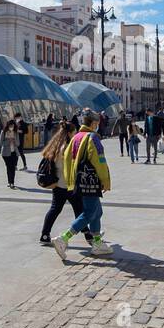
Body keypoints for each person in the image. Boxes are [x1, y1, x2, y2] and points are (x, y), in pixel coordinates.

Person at [51, 112, 113, 262]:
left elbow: (67, 159)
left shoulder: (76, 138)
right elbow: (100, 161)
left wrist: (71, 180)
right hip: (91, 181)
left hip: (79, 181)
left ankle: (97, 243)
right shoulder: (93, 138)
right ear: (93, 124)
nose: (97, 126)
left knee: (97, 212)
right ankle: (63, 238)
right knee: (89, 213)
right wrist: (106, 181)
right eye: (97, 124)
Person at [39, 122, 95, 247]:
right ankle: (88, 235)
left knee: (55, 210)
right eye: (74, 132)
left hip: (57, 185)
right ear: (69, 133)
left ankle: (44, 234)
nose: (75, 134)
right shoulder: (68, 147)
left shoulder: (55, 146)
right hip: (69, 185)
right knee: (80, 211)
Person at [0, 119, 20, 188]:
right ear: (8, 126)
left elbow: (18, 143)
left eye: (13, 126)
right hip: (6, 153)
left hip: (14, 152)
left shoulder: (15, 133)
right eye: (10, 126)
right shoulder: (4, 132)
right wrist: (8, 141)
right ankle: (9, 181)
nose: (12, 127)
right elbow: (1, 143)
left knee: (13, 167)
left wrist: (14, 141)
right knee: (9, 167)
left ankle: (12, 182)